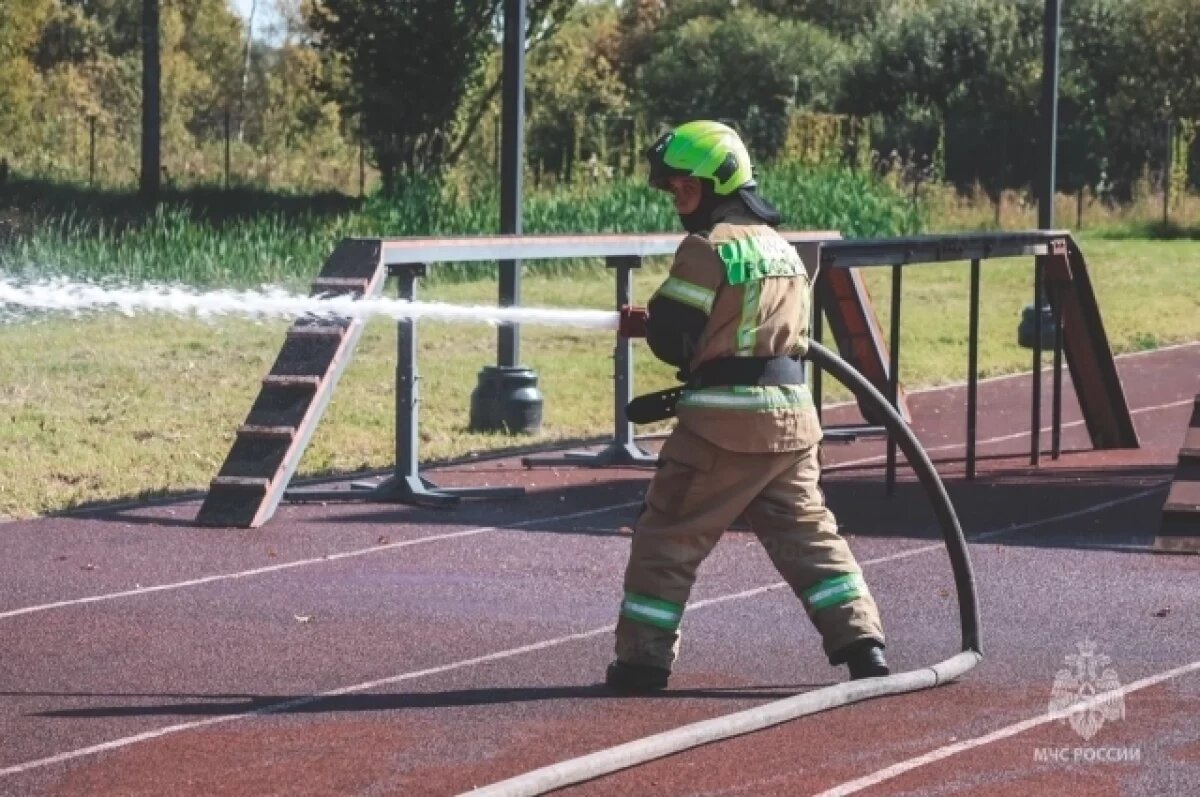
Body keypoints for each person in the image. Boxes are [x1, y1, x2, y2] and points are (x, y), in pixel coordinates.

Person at [608, 120, 888, 693]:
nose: (678, 202)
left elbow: (675, 337)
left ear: (718, 184)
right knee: (810, 536)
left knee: (668, 536)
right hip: (792, 422)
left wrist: (651, 324)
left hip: (722, 426)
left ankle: (642, 662)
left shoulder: (708, 248)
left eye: (685, 189)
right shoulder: (783, 250)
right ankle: (863, 644)